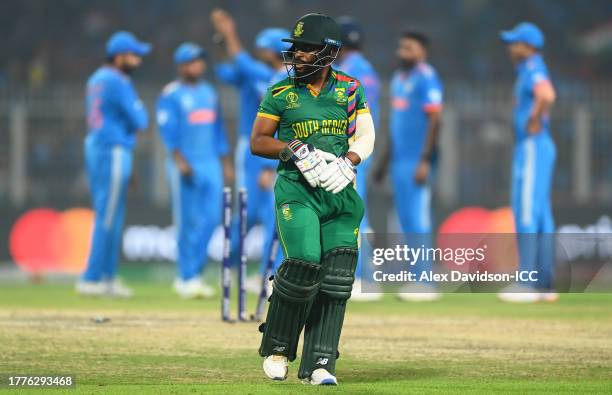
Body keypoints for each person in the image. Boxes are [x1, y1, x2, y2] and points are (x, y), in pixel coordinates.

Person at [251, 13, 375, 385]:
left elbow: (367, 135)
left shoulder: (350, 89)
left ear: (329, 52)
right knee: (304, 263)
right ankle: (277, 348)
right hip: (296, 191)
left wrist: (349, 161)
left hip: (338, 193)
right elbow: (258, 141)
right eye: (296, 48)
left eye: (307, 48)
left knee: (336, 279)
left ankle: (321, 363)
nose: (299, 55)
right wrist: (293, 149)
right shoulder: (280, 91)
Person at [210, 9, 290, 291]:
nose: (258, 52)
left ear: (273, 51)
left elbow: (241, 61)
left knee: (270, 212)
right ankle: (231, 264)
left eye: (262, 48)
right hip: (251, 147)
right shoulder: (254, 75)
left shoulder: (275, 77)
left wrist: (230, 33)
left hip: (269, 150)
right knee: (251, 212)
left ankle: (269, 272)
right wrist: (223, 42)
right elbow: (227, 69)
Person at [156, 42, 233, 299]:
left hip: (210, 162)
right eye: (191, 62)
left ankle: (196, 273)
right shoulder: (171, 94)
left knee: (212, 218)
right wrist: (178, 159)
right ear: (181, 66)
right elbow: (168, 131)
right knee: (186, 223)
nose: (197, 66)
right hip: (185, 163)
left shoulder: (209, 93)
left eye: (200, 61)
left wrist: (224, 162)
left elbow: (219, 130)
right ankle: (185, 277)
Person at [77, 31, 150, 298]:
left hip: (98, 145)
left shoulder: (96, 78)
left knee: (110, 214)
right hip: (113, 148)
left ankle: (106, 277)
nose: (138, 61)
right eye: (134, 55)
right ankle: (92, 277)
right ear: (119, 56)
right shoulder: (117, 80)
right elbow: (141, 119)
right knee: (108, 216)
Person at [374, 31, 443, 301]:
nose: (403, 52)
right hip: (398, 161)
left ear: (422, 51)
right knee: (404, 220)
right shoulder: (398, 80)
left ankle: (425, 281)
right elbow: (396, 126)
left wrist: (426, 159)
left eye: (410, 48)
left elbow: (436, 120)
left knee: (418, 219)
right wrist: (382, 162)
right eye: (401, 47)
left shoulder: (427, 77)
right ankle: (415, 277)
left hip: (417, 161)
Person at [497, 22, 557, 303]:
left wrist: (533, 118)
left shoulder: (533, 67)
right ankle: (545, 284)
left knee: (526, 212)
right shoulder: (528, 68)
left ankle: (527, 282)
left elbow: (547, 94)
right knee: (542, 216)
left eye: (515, 43)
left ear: (529, 46)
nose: (511, 48)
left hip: (532, 146)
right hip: (539, 147)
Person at [335, 16, 381, 301]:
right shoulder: (367, 69)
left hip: (352, 149)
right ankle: (364, 276)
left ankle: (361, 277)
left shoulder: (347, 71)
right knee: (356, 210)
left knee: (352, 212)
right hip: (363, 147)